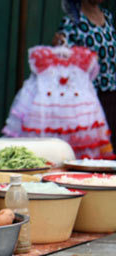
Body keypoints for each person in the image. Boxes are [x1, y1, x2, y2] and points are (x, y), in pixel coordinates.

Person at [53, 0, 116, 152]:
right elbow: (63, 57)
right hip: (89, 99)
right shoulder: (73, 21)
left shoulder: (107, 17)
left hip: (112, 94)